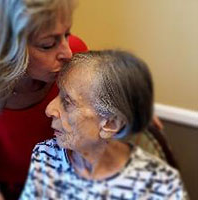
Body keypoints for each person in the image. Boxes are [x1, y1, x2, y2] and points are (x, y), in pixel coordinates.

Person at [0, 0, 88, 199]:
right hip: (12, 187)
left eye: (67, 34)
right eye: (48, 44)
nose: (67, 52)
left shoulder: (77, 58)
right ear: (0, 49)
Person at [20, 50, 187, 199]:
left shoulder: (158, 183)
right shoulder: (45, 156)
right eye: (59, 94)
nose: (49, 110)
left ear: (110, 123)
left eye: (67, 102)